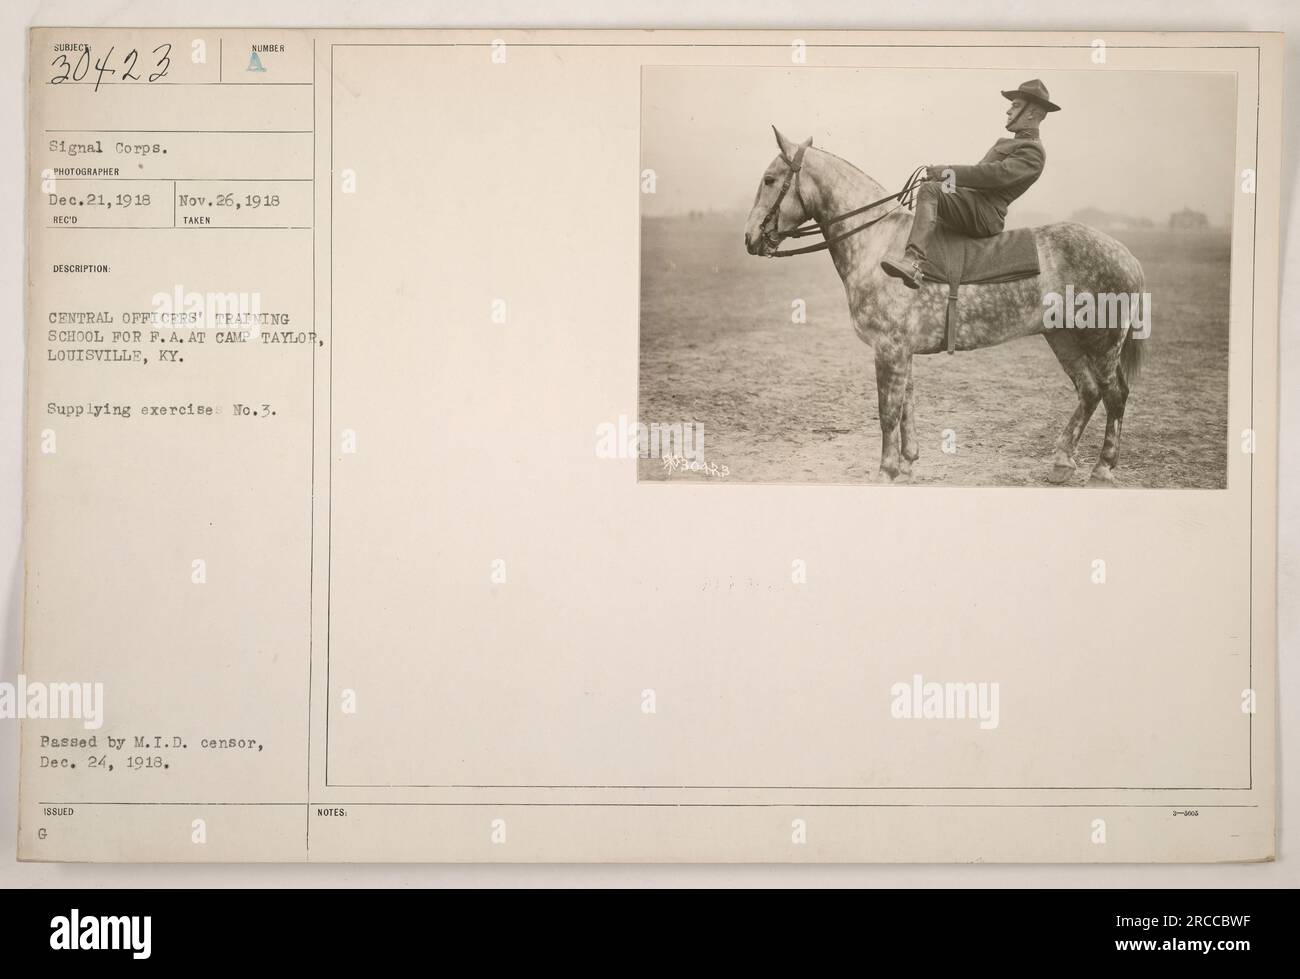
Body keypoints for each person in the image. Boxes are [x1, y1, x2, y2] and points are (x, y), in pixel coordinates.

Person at [880, 79, 1060, 289]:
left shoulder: (1033, 151)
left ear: (1032, 113)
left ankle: (913, 261)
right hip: (973, 205)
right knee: (932, 188)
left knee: (930, 191)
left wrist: (947, 172)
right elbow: (974, 183)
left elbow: (995, 176)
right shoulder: (1010, 143)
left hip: (985, 215)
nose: (1008, 111)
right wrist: (941, 179)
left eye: (1016, 106)